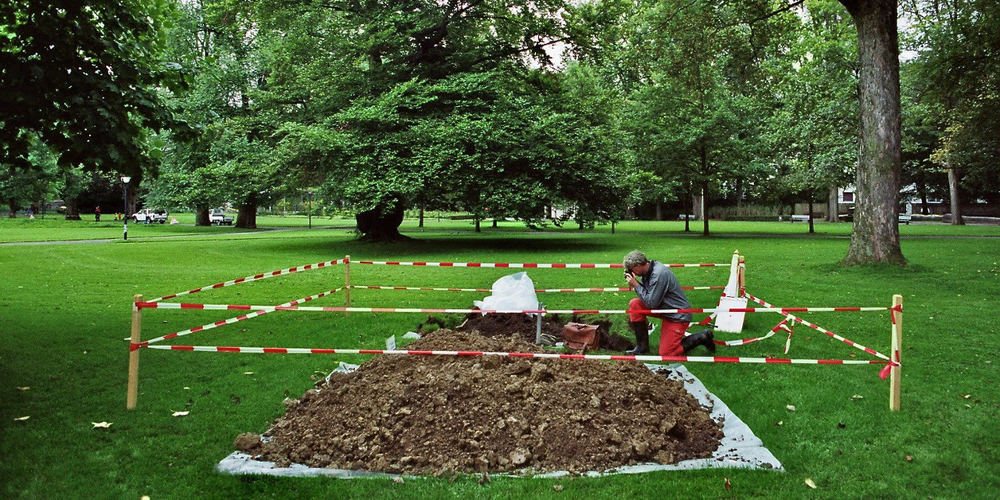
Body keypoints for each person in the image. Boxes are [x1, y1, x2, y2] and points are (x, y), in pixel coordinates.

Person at [622, 250, 714, 356]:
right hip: (664, 307)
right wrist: (636, 283)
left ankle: (702, 337)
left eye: (631, 269)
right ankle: (642, 346)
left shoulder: (658, 274)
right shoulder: (648, 269)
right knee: (635, 304)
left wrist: (636, 285)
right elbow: (649, 297)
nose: (630, 271)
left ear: (638, 265)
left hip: (678, 314)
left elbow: (651, 303)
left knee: (666, 353)